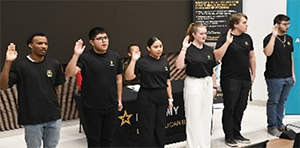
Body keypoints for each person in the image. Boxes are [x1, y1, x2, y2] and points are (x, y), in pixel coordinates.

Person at [0, 33, 66, 148]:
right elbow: (3, 86)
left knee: (52, 146)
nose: (44, 46)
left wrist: (56, 108)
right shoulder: (20, 66)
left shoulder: (54, 63)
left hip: (53, 117)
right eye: (40, 43)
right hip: (32, 118)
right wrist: (8, 62)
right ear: (30, 45)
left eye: (46, 43)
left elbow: (56, 88)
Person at [65, 27, 123, 148]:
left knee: (108, 140)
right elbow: (69, 73)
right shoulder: (85, 58)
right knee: (94, 141)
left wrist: (119, 99)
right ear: (92, 42)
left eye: (105, 38)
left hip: (111, 105)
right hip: (92, 107)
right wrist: (76, 55)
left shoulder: (115, 56)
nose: (104, 41)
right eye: (99, 39)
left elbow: (119, 79)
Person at [214, 13, 256, 147]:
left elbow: (251, 57)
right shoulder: (224, 38)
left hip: (245, 78)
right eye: (244, 22)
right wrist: (227, 42)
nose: (246, 25)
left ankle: (237, 132)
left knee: (241, 107)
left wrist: (253, 72)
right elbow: (217, 56)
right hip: (230, 78)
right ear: (235, 24)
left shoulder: (247, 38)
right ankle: (229, 135)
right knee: (230, 107)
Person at [125, 37, 173, 148]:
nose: (159, 49)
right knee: (147, 127)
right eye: (155, 47)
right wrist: (133, 60)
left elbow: (168, 81)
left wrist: (170, 98)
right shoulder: (142, 61)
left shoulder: (164, 61)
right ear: (148, 48)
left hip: (162, 95)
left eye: (160, 46)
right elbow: (129, 76)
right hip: (147, 95)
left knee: (160, 125)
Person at [175, 22, 217, 148]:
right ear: (194, 34)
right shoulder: (188, 49)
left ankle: (205, 144)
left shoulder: (208, 49)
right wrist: (183, 48)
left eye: (205, 33)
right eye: (201, 33)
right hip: (193, 83)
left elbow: (212, 69)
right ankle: (193, 145)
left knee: (206, 115)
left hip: (207, 83)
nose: (205, 36)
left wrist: (214, 86)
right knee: (193, 115)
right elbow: (178, 66)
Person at [263, 14, 295, 137]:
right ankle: (272, 125)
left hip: (287, 76)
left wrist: (293, 74)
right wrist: (274, 35)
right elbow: (268, 52)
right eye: (284, 24)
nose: (287, 26)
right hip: (274, 77)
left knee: (282, 101)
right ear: (277, 25)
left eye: (288, 24)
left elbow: (290, 57)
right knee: (273, 102)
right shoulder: (268, 38)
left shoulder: (289, 39)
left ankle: (279, 123)